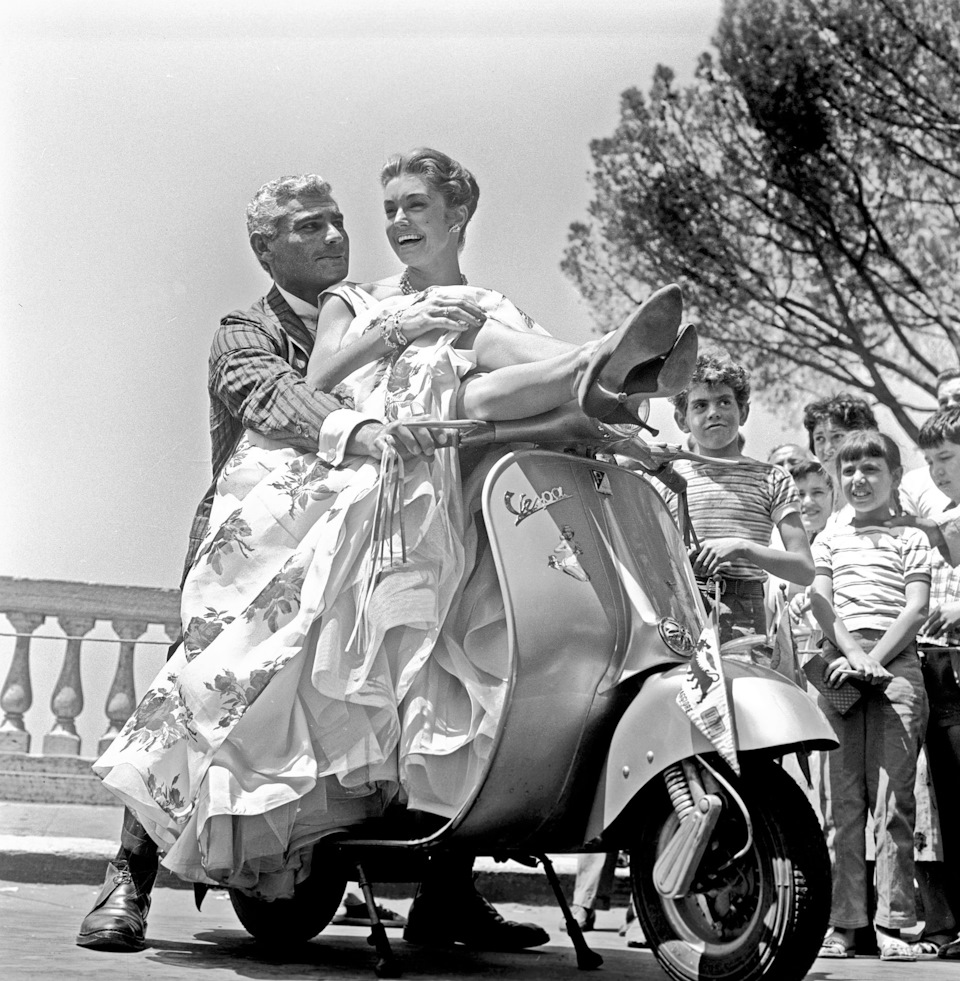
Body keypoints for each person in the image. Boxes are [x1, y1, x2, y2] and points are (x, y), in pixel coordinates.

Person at [80, 158, 686, 952]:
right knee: (202, 685)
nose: (335, 234)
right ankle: (127, 878)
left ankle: (447, 890)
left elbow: (478, 394)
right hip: (273, 541)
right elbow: (281, 396)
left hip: (408, 510)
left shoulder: (403, 302)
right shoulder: (254, 328)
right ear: (266, 251)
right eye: (309, 226)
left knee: (448, 671)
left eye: (337, 219)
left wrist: (598, 431)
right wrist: (368, 415)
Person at [809, 431, 931, 962]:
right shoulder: (828, 541)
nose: (859, 479)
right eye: (849, 471)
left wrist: (874, 658)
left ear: (895, 476)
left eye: (872, 469)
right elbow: (821, 603)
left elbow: (916, 607)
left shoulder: (912, 538)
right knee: (841, 802)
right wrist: (855, 656)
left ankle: (893, 924)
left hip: (895, 666)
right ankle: (845, 923)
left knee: (894, 802)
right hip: (841, 664)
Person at [663, 354, 814, 642]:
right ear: (682, 420)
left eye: (724, 402)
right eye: (700, 405)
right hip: (680, 607)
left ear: (743, 412)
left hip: (744, 613)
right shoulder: (666, 477)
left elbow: (804, 569)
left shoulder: (772, 477)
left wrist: (742, 547)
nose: (714, 412)